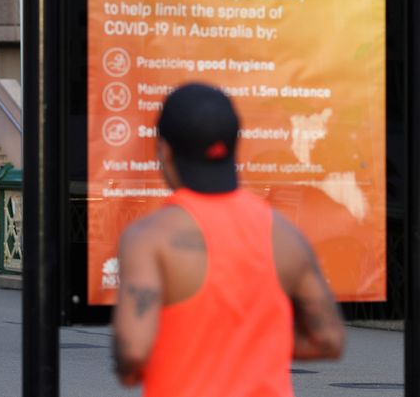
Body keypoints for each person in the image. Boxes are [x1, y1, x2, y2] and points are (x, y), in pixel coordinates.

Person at [112, 83, 345, 396]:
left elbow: (133, 351)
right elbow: (329, 339)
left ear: (165, 150)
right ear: (235, 145)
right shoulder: (286, 236)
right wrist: (253, 345)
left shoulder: (150, 238)